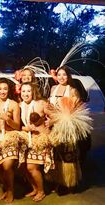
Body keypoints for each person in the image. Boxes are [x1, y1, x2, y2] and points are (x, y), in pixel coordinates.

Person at [48, 65, 84, 195]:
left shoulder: (73, 90)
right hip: (54, 126)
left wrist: (63, 118)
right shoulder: (53, 88)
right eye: (59, 75)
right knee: (56, 154)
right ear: (56, 77)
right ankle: (59, 180)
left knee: (68, 155)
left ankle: (70, 183)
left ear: (68, 76)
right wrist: (51, 118)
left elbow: (76, 109)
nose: (61, 77)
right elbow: (50, 107)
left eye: (64, 75)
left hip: (67, 127)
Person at [19, 82, 54, 202]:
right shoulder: (20, 105)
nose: (26, 93)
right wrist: (25, 128)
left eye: (28, 91)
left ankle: (41, 191)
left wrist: (50, 123)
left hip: (41, 139)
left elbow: (55, 116)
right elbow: (19, 125)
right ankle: (34, 188)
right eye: (23, 91)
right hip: (28, 140)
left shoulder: (41, 103)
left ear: (33, 91)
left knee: (31, 167)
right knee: (23, 167)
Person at [0, 78, 20, 203]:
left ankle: (11, 192)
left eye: (5, 89)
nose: (2, 91)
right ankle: (6, 190)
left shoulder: (14, 104)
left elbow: (17, 126)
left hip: (10, 138)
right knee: (0, 168)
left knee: (7, 167)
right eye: (0, 89)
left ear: (9, 90)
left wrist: (7, 119)